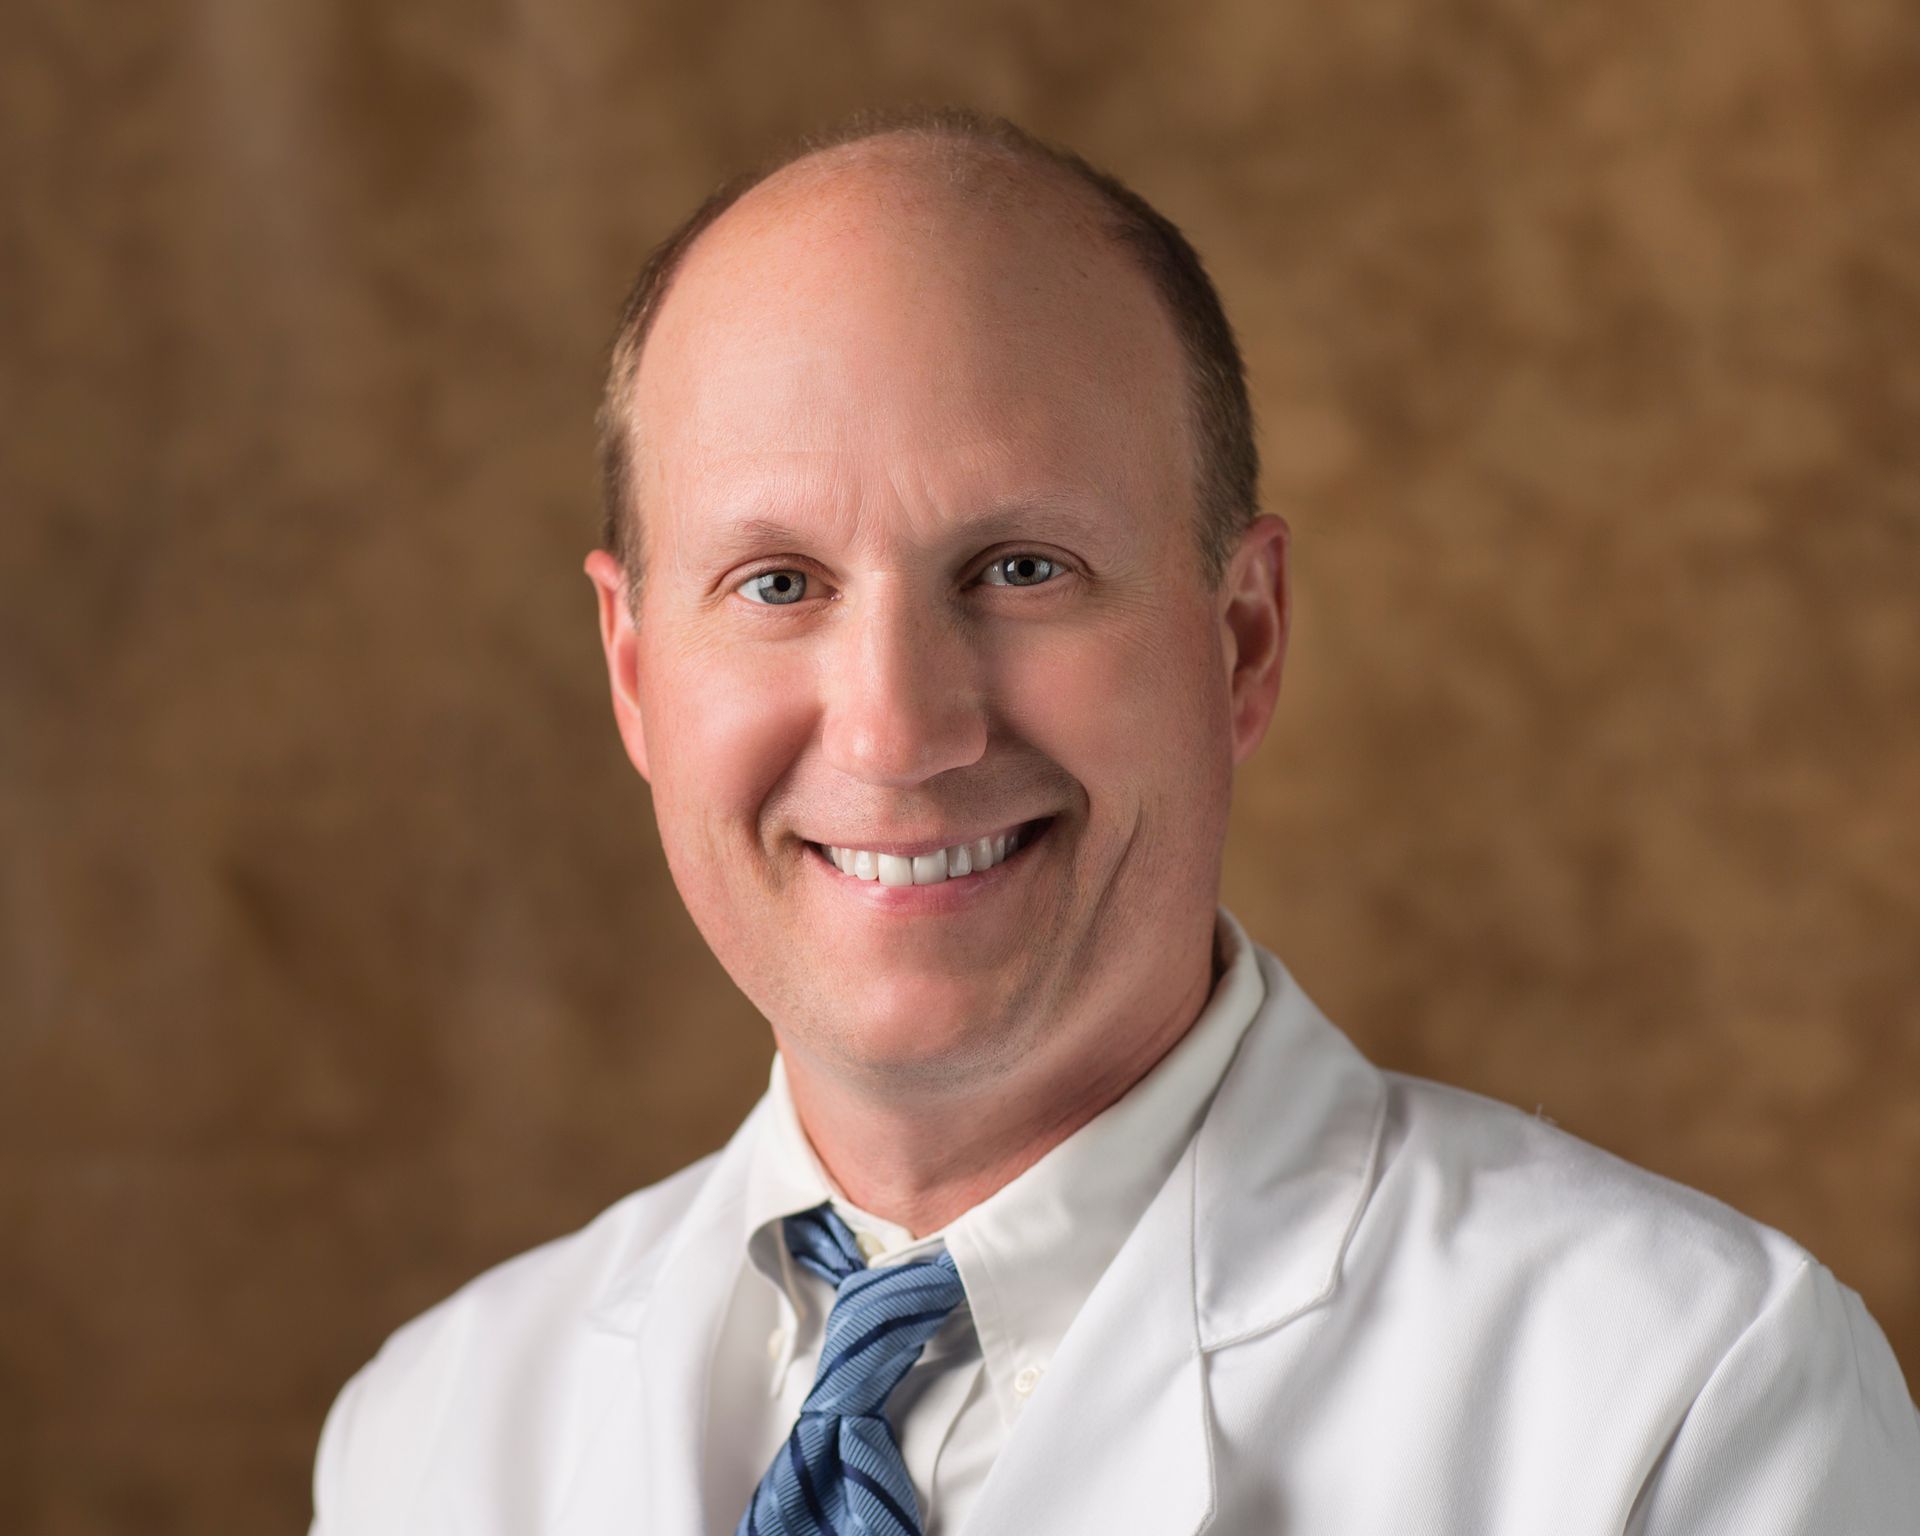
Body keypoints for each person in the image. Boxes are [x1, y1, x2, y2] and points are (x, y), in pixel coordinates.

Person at [308, 109, 1920, 1535]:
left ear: (1242, 641)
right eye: (778, 583)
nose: (897, 731)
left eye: (1023, 570)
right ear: (635, 672)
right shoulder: (431, 1435)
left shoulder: (1686, 1410)